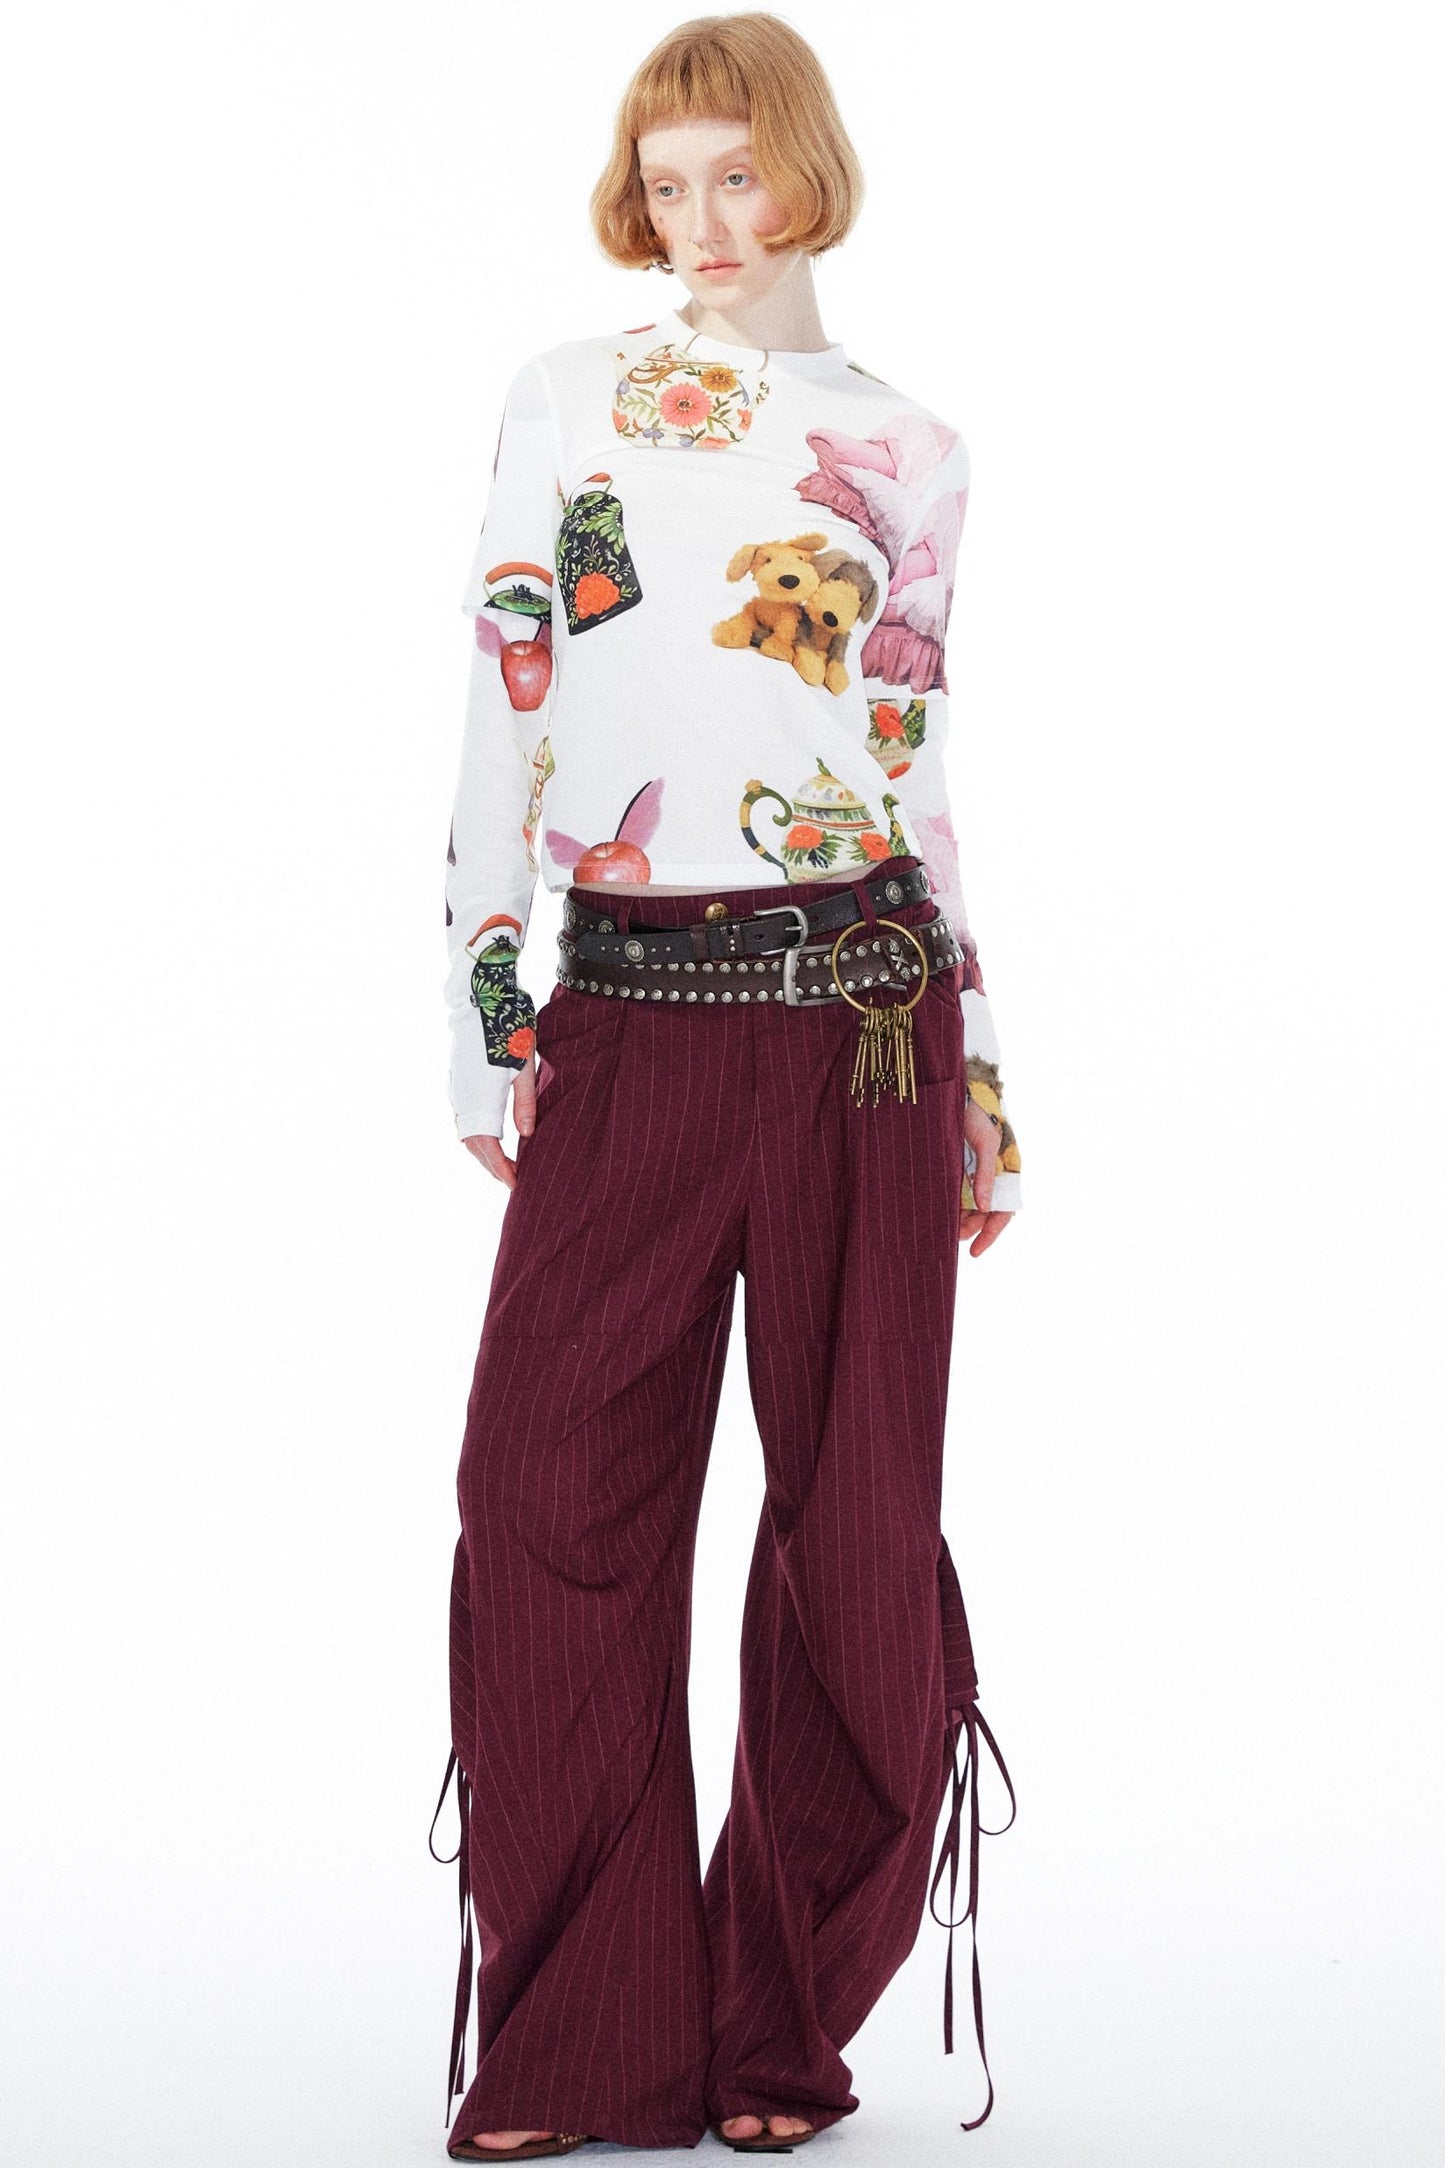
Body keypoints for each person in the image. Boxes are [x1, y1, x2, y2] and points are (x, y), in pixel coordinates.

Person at [429, 16, 1021, 2159]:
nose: (701, 221)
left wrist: (983, 1071)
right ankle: (582, 2033)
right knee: (546, 1510)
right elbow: (508, 699)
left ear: (807, 172)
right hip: (627, 1016)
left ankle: (779, 2031)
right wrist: (486, 999)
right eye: (665, 183)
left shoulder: (908, 445)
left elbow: (909, 766)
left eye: (735, 175)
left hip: (868, 1015)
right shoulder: (566, 401)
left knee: (856, 1532)